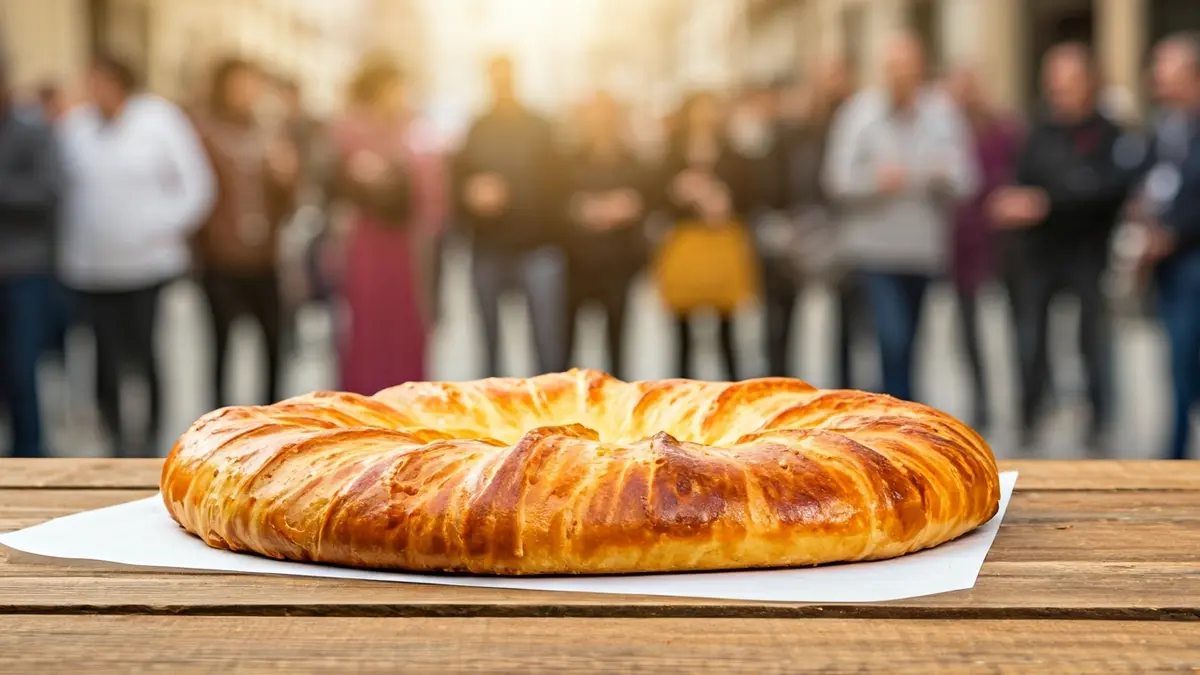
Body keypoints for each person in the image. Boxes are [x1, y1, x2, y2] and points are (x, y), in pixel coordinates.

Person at [57, 51, 216, 457]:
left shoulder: (160, 121)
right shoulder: (74, 128)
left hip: (147, 265)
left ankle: (148, 438)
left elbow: (197, 185)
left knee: (144, 353)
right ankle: (112, 434)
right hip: (92, 266)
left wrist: (158, 227)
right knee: (102, 357)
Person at [990, 43, 1136, 452]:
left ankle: (1099, 417)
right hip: (1038, 255)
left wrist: (1047, 202)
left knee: (1093, 339)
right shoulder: (1039, 130)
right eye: (1053, 81)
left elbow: (1106, 188)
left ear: (1088, 82)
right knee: (1030, 336)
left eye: (1068, 80)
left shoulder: (1108, 131)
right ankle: (1030, 411)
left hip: (1087, 253)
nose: (1059, 89)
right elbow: (1023, 179)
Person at [823, 34, 978, 403]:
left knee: (909, 342)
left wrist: (944, 176)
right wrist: (873, 182)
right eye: (892, 69)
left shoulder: (943, 114)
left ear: (920, 69)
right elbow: (835, 180)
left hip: (923, 251)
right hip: (873, 251)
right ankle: (895, 412)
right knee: (891, 338)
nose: (899, 77)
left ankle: (902, 414)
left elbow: (968, 179)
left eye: (906, 69)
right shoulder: (858, 114)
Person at [328, 55, 445, 395]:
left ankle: (409, 397)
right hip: (367, 239)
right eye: (396, 88)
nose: (402, 95)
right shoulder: (351, 130)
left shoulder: (414, 128)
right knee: (368, 324)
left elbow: (433, 190)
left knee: (408, 322)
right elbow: (339, 181)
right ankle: (366, 397)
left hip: (408, 243)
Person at [191, 57, 298, 408]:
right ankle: (219, 423)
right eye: (240, 83)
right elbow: (192, 195)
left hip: (265, 258)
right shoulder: (205, 133)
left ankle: (272, 420)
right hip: (220, 260)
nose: (247, 92)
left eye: (253, 84)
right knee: (221, 347)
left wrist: (286, 179)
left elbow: (289, 202)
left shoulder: (269, 133)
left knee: (274, 345)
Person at [454, 56, 566, 377]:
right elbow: (458, 182)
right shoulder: (477, 128)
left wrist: (510, 195)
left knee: (547, 348)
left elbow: (557, 184)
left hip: (536, 246)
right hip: (488, 247)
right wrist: (472, 194)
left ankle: (552, 420)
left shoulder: (540, 126)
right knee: (488, 350)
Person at [766, 55, 859, 383]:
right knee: (782, 315)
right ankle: (779, 385)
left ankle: (844, 388)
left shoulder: (854, 121)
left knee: (848, 320)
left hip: (841, 227)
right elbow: (778, 175)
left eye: (837, 76)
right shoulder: (793, 127)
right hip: (797, 225)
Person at [943, 65, 1025, 430]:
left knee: (1016, 327)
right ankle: (981, 401)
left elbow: (1020, 174)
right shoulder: (943, 130)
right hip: (961, 246)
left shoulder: (1006, 129)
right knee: (968, 333)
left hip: (1002, 243)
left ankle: (1025, 401)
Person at [658, 91, 753, 380]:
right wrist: (680, 191)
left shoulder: (732, 151)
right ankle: (680, 387)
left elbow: (752, 189)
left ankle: (731, 388)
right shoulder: (672, 151)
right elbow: (655, 190)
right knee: (682, 327)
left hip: (721, 241)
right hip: (686, 241)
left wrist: (723, 199)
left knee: (727, 326)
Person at [1139, 33, 1200, 459]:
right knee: (1178, 361)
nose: (1157, 79)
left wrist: (1173, 234)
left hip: (1192, 258)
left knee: (1187, 359)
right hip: (1168, 264)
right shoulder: (1165, 126)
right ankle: (1175, 453)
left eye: (1167, 70)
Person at [561, 92, 650, 379]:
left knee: (618, 344)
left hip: (618, 264)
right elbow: (554, 202)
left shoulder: (632, 160)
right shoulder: (568, 159)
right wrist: (581, 209)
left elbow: (647, 199)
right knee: (569, 347)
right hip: (577, 264)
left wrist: (626, 207)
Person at [0, 56, 62, 458]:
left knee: (22, 371)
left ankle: (30, 457)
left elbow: (47, 193)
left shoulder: (33, 131)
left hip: (23, 272)